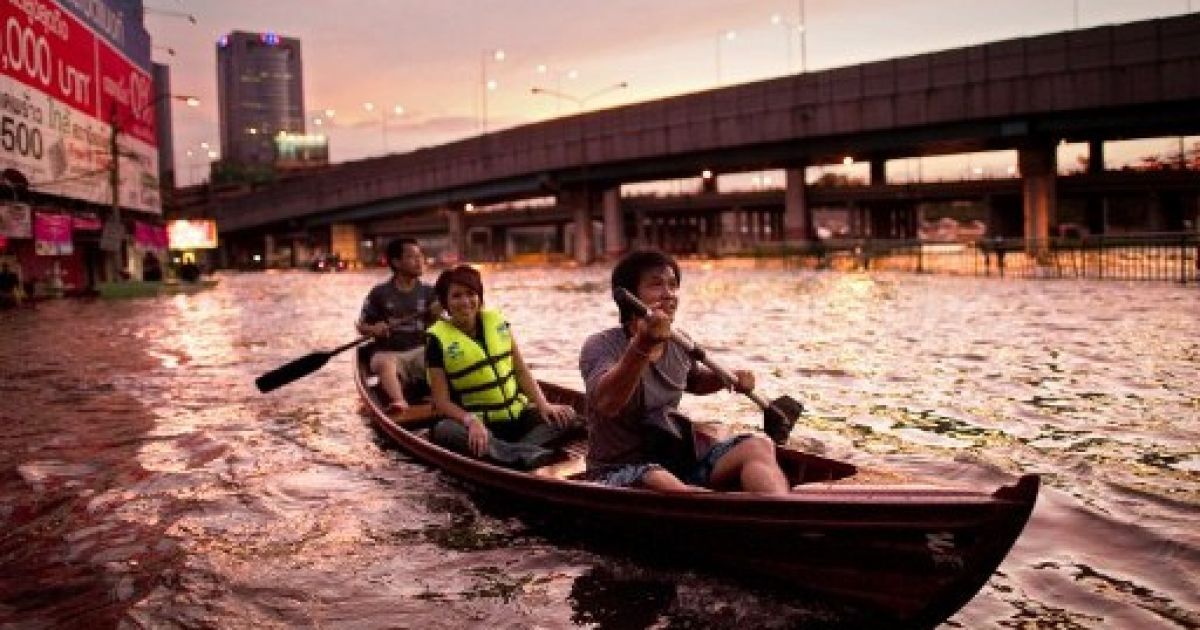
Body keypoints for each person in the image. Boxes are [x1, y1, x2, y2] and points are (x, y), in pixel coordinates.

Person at [579, 249, 789, 494]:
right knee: (660, 480)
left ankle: (782, 513)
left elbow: (693, 381)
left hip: (674, 463)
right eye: (656, 285)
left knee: (759, 446)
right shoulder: (600, 345)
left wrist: (726, 378)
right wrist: (642, 344)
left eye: (673, 286)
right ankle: (716, 513)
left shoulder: (680, 343)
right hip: (615, 471)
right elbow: (607, 402)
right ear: (629, 297)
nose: (669, 295)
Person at [425, 265, 578, 470]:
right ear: (445, 303)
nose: (465, 302)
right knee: (444, 430)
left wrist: (543, 405)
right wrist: (471, 422)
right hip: (478, 426)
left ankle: (509, 452)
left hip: (516, 419)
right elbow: (441, 401)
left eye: (471, 294)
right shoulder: (437, 341)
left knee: (568, 415)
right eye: (456, 296)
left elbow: (521, 371)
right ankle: (520, 453)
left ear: (479, 297)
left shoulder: (496, 323)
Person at [356, 238, 439, 413]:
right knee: (384, 363)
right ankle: (400, 402)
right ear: (396, 262)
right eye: (412, 257)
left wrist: (439, 312)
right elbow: (361, 326)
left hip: (419, 351)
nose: (420, 261)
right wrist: (374, 329)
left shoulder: (429, 292)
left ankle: (439, 397)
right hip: (389, 353)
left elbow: (441, 325)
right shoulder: (379, 293)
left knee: (442, 355)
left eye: (420, 256)